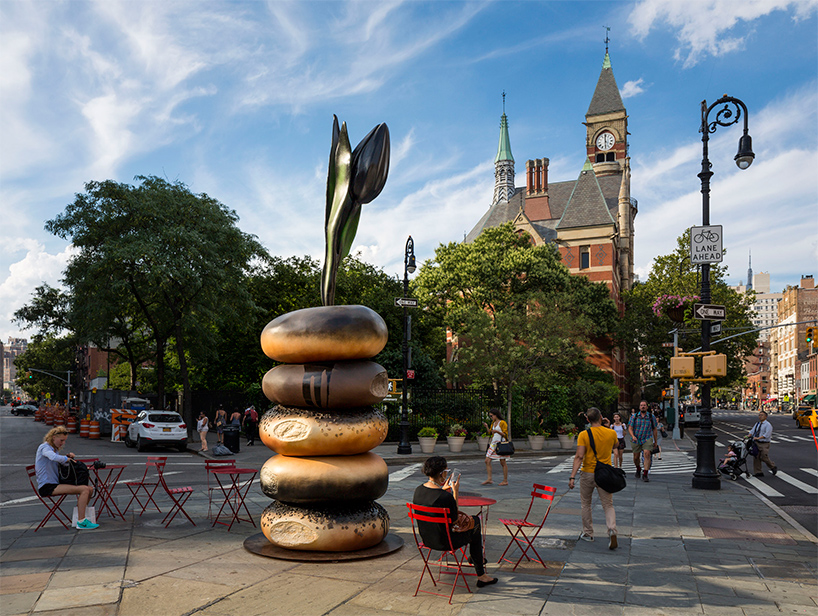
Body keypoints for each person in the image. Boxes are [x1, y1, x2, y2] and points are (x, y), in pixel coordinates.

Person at [413, 456, 498, 587]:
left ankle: (476, 558)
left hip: (427, 539)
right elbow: (455, 520)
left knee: (473, 524)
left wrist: (443, 491)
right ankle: (481, 574)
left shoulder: (418, 490)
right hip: (446, 542)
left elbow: (433, 499)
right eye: (446, 470)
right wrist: (455, 492)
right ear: (442, 473)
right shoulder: (445, 497)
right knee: (475, 523)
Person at [569, 407, 618, 549]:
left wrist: (572, 476)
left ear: (587, 419)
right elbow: (616, 445)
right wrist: (608, 428)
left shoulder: (584, 434)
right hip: (605, 473)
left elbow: (579, 456)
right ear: (601, 417)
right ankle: (612, 529)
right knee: (608, 504)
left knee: (586, 504)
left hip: (588, 473)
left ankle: (588, 533)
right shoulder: (611, 433)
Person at [35, 426, 98, 530]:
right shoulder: (44, 447)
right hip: (47, 486)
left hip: (55, 484)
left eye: (64, 441)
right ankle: (81, 522)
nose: (63, 443)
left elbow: (59, 461)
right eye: (61, 440)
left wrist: (68, 458)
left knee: (90, 489)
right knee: (84, 489)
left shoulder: (54, 449)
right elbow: (53, 457)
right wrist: (66, 459)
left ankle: (79, 517)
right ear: (53, 437)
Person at [628, 401, 658, 482]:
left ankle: (645, 474)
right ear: (639, 407)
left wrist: (655, 441)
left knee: (647, 454)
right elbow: (630, 428)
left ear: (647, 407)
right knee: (636, 457)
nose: (643, 407)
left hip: (647, 438)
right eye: (641, 405)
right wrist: (633, 436)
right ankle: (638, 468)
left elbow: (655, 429)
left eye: (644, 405)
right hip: (636, 439)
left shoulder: (651, 417)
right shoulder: (634, 416)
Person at [482, 408, 509, 486]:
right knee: (487, 460)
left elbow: (505, 434)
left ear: (495, 415)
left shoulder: (502, 423)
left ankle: (505, 480)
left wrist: (497, 431)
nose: (491, 417)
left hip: (500, 443)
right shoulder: (493, 423)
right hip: (493, 443)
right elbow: (490, 432)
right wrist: (487, 426)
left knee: (502, 462)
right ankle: (489, 479)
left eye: (491, 416)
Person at [749, 410, 777, 477]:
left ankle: (772, 467)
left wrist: (758, 438)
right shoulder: (757, 424)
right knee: (756, 457)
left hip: (764, 443)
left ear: (766, 417)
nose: (760, 416)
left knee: (764, 456)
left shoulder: (768, 425)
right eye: (759, 415)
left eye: (762, 415)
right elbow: (752, 431)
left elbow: (767, 435)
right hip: (756, 443)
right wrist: (748, 435)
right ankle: (758, 472)